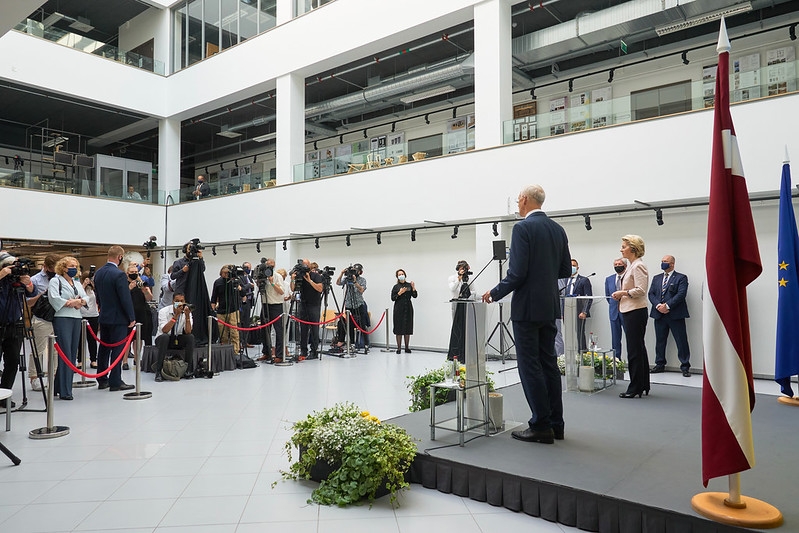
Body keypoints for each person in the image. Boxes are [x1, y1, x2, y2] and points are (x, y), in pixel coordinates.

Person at [482, 185, 571, 444]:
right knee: (549, 364)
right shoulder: (558, 229)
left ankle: (540, 425)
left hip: (527, 308)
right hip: (550, 306)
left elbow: (517, 273)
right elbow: (565, 269)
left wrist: (495, 292)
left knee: (529, 366)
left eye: (518, 200)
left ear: (523, 200)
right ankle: (556, 424)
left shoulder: (522, 229)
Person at [611, 235, 651, 399]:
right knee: (639, 348)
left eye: (624, 246)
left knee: (635, 350)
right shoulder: (632, 266)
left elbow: (641, 290)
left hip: (635, 310)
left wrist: (623, 292)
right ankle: (642, 384)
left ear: (633, 248)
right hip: (631, 310)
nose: (621, 249)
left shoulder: (638, 266)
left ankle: (635, 387)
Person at [93, 246, 135, 391]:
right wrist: (131, 317)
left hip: (104, 316)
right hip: (118, 319)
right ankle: (115, 380)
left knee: (103, 349)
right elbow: (125, 298)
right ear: (120, 257)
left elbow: (97, 295)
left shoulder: (98, 273)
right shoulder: (119, 275)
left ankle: (102, 378)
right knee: (117, 350)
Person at [0, 251, 37, 407]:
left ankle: (4, 394)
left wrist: (27, 282)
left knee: (13, 361)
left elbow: (32, 293)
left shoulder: (15, 280)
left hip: (14, 324)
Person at [48, 256, 88, 401]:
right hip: (62, 318)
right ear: (63, 267)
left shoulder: (76, 283)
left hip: (76, 318)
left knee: (71, 353)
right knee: (64, 352)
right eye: (71, 265)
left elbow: (85, 297)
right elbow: (54, 298)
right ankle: (66, 390)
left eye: (76, 266)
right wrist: (71, 302)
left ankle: (59, 385)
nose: (74, 268)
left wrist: (79, 301)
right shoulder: (55, 281)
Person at [648, 255, 691, 377]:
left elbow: (681, 294)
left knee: (681, 341)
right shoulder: (656, 278)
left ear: (672, 264)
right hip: (659, 314)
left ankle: (685, 366)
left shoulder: (681, 277)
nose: (663, 263)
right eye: (662, 261)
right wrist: (658, 306)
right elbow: (651, 294)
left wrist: (667, 306)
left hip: (675, 314)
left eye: (665, 261)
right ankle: (660, 364)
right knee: (660, 341)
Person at [26, 254, 60, 391]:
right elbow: (28, 302)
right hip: (41, 319)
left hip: (57, 318)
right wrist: (42, 295)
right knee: (37, 349)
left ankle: (54, 375)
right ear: (45, 267)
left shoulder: (59, 278)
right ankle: (34, 377)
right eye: (52, 268)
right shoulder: (35, 280)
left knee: (56, 351)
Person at [153, 292, 195, 382]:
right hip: (163, 338)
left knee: (190, 338)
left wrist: (187, 316)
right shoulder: (163, 311)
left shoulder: (187, 312)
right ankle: (158, 372)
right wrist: (176, 316)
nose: (179, 303)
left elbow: (188, 331)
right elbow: (165, 330)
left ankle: (188, 369)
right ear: (172, 302)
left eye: (181, 301)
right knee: (165, 337)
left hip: (177, 337)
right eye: (177, 301)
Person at [291, 259, 323, 360]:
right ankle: (303, 351)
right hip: (302, 305)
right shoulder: (299, 277)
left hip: (314, 305)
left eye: (305, 264)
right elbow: (293, 289)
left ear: (309, 266)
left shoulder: (316, 276)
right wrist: (292, 279)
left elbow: (320, 289)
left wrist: (309, 280)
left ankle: (314, 351)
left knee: (314, 329)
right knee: (303, 329)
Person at [447, 260, 478, 362]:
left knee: (467, 327)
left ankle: (466, 352)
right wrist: (458, 279)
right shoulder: (452, 278)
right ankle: (455, 352)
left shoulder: (469, 278)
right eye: (461, 268)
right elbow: (452, 288)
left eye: (464, 268)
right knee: (457, 328)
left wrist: (467, 292)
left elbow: (474, 291)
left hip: (467, 303)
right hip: (456, 303)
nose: (462, 270)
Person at [336, 263, 370, 353]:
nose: (355, 272)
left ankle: (366, 344)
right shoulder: (347, 279)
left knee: (362, 325)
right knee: (349, 324)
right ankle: (352, 344)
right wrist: (341, 273)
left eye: (357, 270)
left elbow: (361, 290)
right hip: (349, 305)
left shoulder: (362, 280)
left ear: (360, 272)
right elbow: (338, 283)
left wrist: (355, 282)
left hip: (359, 305)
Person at [256, 259, 284, 363]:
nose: (269, 268)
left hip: (276, 305)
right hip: (265, 304)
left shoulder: (278, 276)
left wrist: (272, 283)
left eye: (271, 266)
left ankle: (279, 355)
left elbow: (281, 291)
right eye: (267, 265)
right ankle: (266, 352)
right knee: (264, 330)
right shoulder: (262, 276)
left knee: (278, 331)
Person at [126, 263, 153, 369]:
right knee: (127, 338)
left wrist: (145, 291)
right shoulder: (124, 283)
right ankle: (124, 361)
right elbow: (122, 297)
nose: (134, 274)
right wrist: (129, 288)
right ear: (127, 273)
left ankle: (137, 359)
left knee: (139, 338)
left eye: (136, 272)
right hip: (129, 312)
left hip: (141, 311)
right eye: (132, 272)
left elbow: (149, 298)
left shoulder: (142, 283)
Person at [211, 265, 244, 354]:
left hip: (234, 310)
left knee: (234, 333)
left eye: (227, 273)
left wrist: (240, 288)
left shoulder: (236, 281)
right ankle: (225, 352)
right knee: (223, 333)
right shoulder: (218, 282)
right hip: (221, 311)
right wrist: (213, 307)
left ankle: (235, 351)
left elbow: (243, 293)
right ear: (221, 273)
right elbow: (214, 296)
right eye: (224, 273)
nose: (226, 275)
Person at [562, 259, 593, 352]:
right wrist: (561, 312)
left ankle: (582, 353)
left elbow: (589, 297)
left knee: (580, 333)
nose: (572, 267)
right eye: (570, 265)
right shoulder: (564, 281)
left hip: (579, 311)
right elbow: (562, 297)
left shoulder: (584, 280)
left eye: (574, 266)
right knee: (568, 334)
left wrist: (584, 311)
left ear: (577, 268)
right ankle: (570, 354)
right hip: (567, 312)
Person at [604, 258, 626, 361]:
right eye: (615, 264)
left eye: (619, 264)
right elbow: (608, 296)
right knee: (615, 339)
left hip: (627, 311)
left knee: (631, 338)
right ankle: (616, 360)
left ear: (625, 265)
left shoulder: (629, 277)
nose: (617, 266)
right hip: (614, 312)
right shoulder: (609, 279)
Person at [391, 269, 417, 354]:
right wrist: (399, 293)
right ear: (397, 276)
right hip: (399, 308)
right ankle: (398, 348)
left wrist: (413, 288)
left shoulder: (409, 285)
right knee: (398, 327)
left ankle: (407, 347)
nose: (401, 275)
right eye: (399, 274)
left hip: (408, 308)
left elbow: (415, 296)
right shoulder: (396, 287)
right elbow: (393, 298)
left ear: (405, 275)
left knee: (407, 327)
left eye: (402, 274)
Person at [80, 272, 99, 368]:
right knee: (80, 339)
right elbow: (77, 296)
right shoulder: (80, 287)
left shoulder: (94, 290)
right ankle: (79, 360)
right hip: (81, 315)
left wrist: (93, 285)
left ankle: (93, 359)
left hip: (93, 315)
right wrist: (83, 285)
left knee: (92, 339)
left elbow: (99, 297)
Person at [239, 262, 256, 348]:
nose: (249, 269)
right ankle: (240, 342)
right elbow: (241, 288)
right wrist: (249, 285)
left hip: (249, 301)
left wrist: (251, 285)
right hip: (242, 302)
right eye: (248, 267)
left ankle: (246, 341)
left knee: (246, 322)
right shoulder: (240, 277)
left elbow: (252, 287)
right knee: (241, 322)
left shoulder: (249, 277)